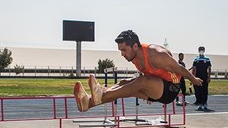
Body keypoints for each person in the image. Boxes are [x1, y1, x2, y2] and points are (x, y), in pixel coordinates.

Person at [74, 30, 203, 112]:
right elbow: (148, 74)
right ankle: (88, 103)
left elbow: (179, 68)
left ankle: (101, 94)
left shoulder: (157, 55)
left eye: (124, 50)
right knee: (125, 83)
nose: (122, 54)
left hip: (171, 89)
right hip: (157, 88)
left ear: (135, 46)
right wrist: (151, 90)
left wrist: (193, 79)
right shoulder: (134, 56)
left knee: (141, 81)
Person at [192, 46, 212, 111]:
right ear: (198, 51)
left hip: (205, 77)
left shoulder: (207, 59)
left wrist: (209, 77)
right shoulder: (196, 59)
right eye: (200, 50)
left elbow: (209, 68)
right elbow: (194, 69)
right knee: (198, 91)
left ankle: (205, 104)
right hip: (197, 78)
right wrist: (193, 78)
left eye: (202, 50)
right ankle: (200, 104)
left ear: (204, 51)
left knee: (205, 91)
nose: (201, 51)